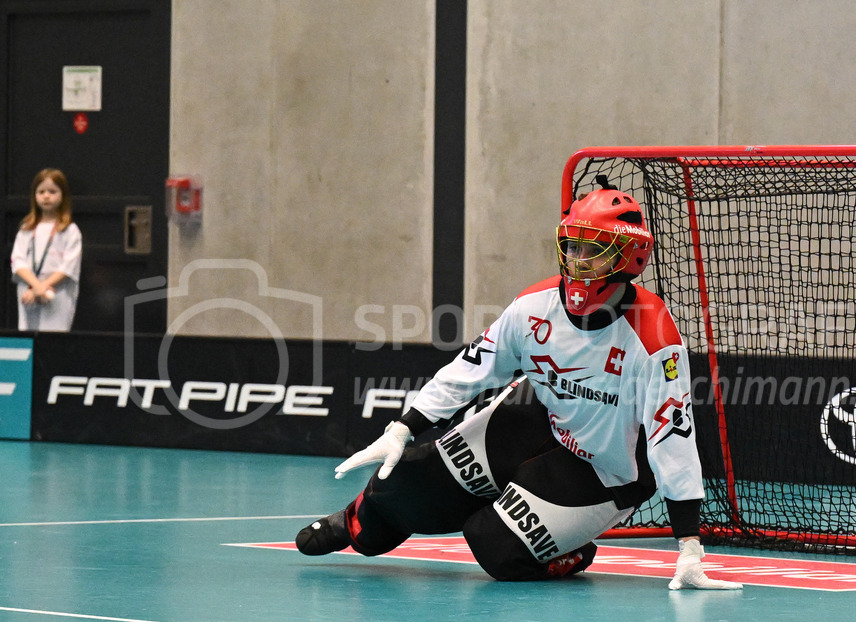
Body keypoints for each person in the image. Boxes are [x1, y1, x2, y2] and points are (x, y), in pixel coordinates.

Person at [296, 181, 741, 590]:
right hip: (544, 420)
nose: (579, 262)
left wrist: (689, 547)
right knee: (410, 475)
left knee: (495, 546)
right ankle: (353, 524)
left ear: (629, 258)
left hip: (609, 469)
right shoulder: (533, 305)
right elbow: (470, 369)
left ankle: (570, 551)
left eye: (596, 251)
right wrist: (403, 427)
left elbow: (673, 439)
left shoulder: (654, 339)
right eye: (573, 247)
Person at [9, 168, 82, 331]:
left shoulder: (69, 230)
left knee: (54, 339)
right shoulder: (26, 229)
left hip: (57, 292)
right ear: (34, 196)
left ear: (63, 195)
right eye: (41, 191)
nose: (46, 196)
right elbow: (18, 261)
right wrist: (36, 286)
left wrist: (44, 286)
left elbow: (68, 266)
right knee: (28, 337)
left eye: (52, 191)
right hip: (28, 291)